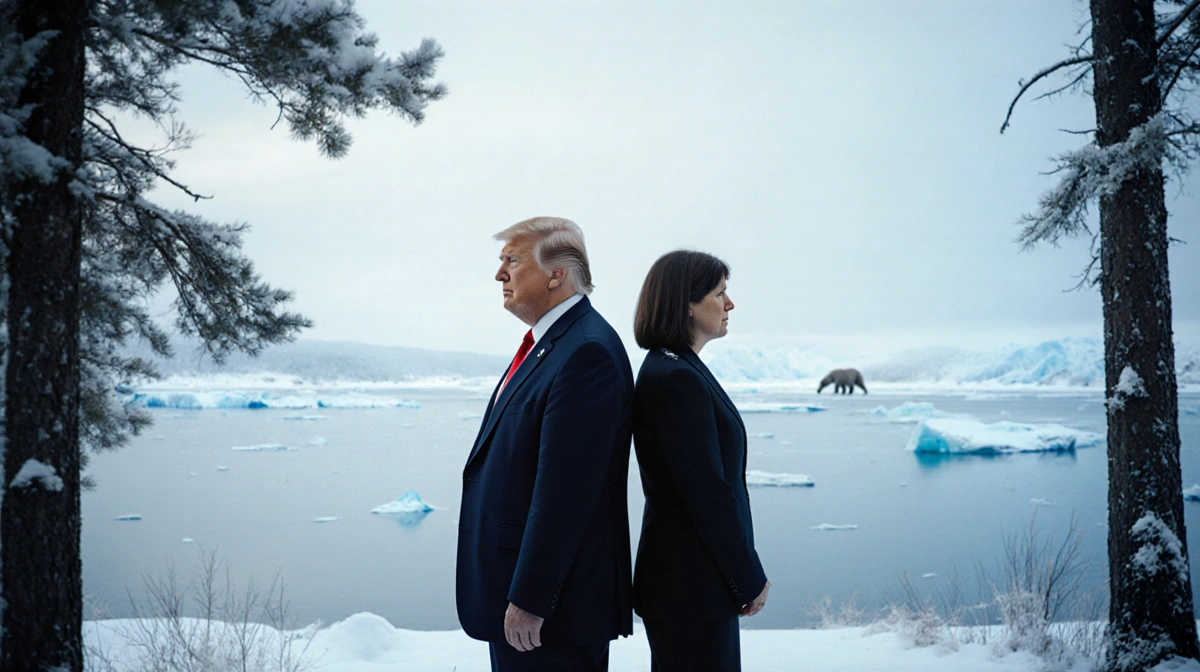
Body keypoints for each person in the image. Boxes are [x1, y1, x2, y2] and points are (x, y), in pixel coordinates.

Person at [456, 217, 634, 672]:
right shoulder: (553, 344)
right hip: (528, 609)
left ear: (557, 274)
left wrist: (531, 599)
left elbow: (567, 493)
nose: (500, 274)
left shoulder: (586, 351)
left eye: (512, 261)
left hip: (551, 616)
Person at [630, 250, 770, 672]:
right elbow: (706, 491)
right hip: (691, 589)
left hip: (687, 587)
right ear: (685, 304)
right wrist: (748, 576)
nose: (729, 304)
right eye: (719, 293)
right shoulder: (676, 379)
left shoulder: (676, 368)